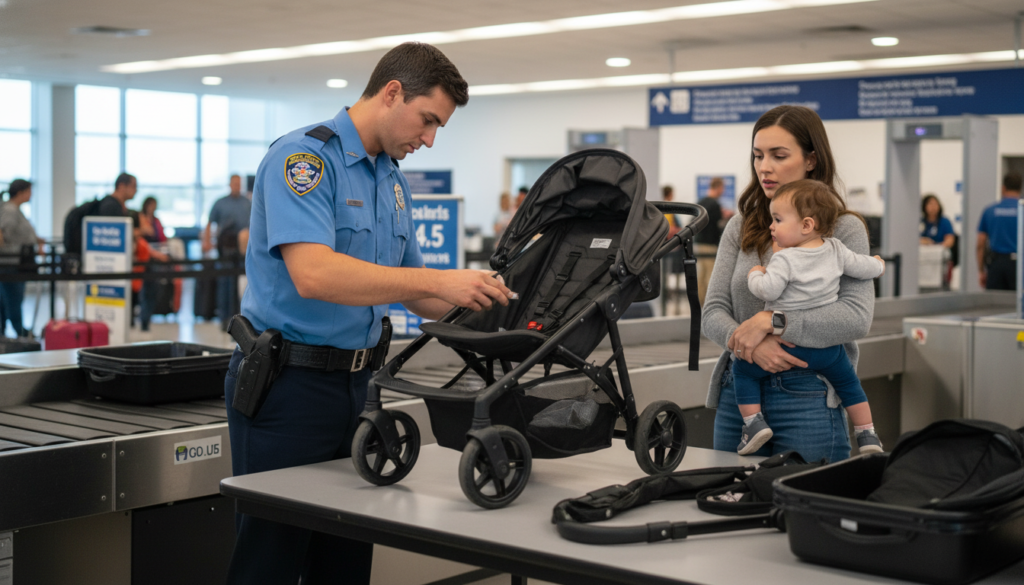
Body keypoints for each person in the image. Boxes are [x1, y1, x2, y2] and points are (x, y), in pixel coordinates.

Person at [223, 42, 512, 585]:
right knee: (272, 558)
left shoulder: (390, 181)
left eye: (438, 129)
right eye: (427, 121)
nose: (428, 139)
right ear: (392, 93)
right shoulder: (304, 160)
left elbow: (417, 293)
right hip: (288, 387)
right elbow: (315, 274)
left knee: (346, 557)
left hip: (359, 389)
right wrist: (437, 280)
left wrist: (497, 307)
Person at [703, 105, 874, 464]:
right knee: (732, 502)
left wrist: (771, 322)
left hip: (808, 392)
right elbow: (714, 311)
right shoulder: (741, 226)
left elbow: (855, 317)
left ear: (811, 160)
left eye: (779, 156)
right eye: (758, 155)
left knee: (803, 510)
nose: (765, 166)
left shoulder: (843, 230)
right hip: (740, 395)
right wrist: (751, 348)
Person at [733, 179, 884, 455]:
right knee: (850, 384)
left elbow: (768, 289)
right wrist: (878, 265)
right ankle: (867, 433)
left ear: (806, 225)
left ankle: (753, 424)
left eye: (777, 219)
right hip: (828, 350)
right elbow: (863, 267)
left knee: (742, 371)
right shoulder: (837, 249)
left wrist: (755, 273)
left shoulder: (784, 259)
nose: (771, 227)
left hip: (788, 345)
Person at [204, 174, 251, 330]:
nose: (237, 186)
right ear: (230, 184)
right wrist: (206, 242)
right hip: (225, 249)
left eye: (239, 183)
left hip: (243, 251)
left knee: (243, 285)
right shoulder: (220, 203)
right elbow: (210, 223)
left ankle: (241, 318)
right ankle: (224, 318)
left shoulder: (247, 203)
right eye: (234, 183)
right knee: (225, 283)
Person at [0, 179, 44, 337]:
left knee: (8, 299)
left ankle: (8, 331)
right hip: (11, 262)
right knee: (13, 299)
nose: (31, 195)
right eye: (29, 191)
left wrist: (36, 240)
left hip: (14, 262)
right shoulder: (10, 210)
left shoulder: (15, 210)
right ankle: (19, 331)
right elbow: (4, 233)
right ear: (20, 192)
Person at [977, 171, 1021, 291]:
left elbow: (980, 243)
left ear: (1003, 188)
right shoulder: (1022, 211)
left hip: (996, 263)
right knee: (1018, 303)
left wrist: (981, 270)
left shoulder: (990, 210)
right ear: (1020, 189)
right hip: (1019, 264)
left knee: (995, 305)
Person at [695, 177, 733, 306]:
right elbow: (718, 225)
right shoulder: (715, 204)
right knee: (710, 275)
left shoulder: (701, 202)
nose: (723, 192)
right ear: (718, 188)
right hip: (710, 245)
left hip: (699, 243)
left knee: (701, 274)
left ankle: (700, 303)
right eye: (722, 188)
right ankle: (709, 305)